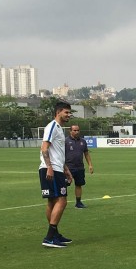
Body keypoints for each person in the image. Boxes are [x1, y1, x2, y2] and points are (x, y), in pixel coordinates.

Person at [39, 101, 74, 248]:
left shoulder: (60, 129)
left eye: (69, 112)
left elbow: (58, 152)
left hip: (58, 168)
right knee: (62, 200)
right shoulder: (52, 126)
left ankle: (55, 234)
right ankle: (50, 237)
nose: (69, 115)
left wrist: (66, 170)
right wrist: (49, 167)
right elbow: (44, 147)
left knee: (52, 202)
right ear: (58, 112)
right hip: (51, 169)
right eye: (66, 112)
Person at [65, 124, 93, 209]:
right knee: (64, 184)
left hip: (80, 167)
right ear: (70, 131)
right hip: (68, 167)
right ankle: (61, 202)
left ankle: (78, 202)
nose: (77, 132)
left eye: (78, 130)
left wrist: (90, 165)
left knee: (79, 184)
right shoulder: (65, 141)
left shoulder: (83, 141)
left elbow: (86, 153)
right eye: (75, 130)